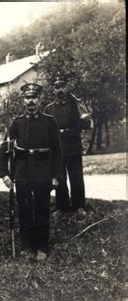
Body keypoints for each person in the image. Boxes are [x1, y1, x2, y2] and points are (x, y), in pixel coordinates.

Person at [0, 83, 63, 262]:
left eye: (34, 97)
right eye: (27, 98)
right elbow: (4, 148)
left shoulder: (49, 122)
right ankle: (27, 246)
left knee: (42, 210)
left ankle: (42, 246)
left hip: (43, 171)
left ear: (39, 100)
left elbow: (57, 150)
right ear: (23, 100)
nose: (31, 101)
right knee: (24, 210)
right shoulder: (16, 123)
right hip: (22, 172)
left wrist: (57, 176)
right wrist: (4, 173)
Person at [43, 75, 91, 219]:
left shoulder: (76, 106)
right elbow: (45, 129)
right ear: (53, 90)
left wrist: (85, 119)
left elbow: (85, 125)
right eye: (57, 87)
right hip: (57, 151)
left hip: (73, 148)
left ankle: (79, 207)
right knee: (60, 179)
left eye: (62, 86)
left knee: (76, 178)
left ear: (67, 88)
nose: (60, 89)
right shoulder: (48, 109)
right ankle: (62, 207)